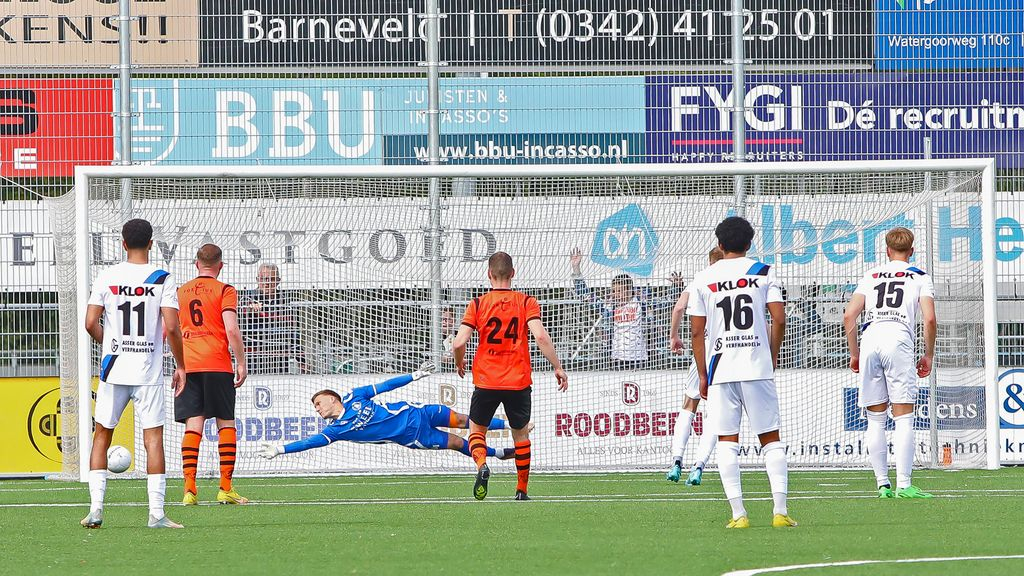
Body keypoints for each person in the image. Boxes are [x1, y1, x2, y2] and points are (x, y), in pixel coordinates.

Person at [687, 216, 795, 529]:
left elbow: (697, 332)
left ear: (719, 245)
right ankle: (780, 512)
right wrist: (771, 356)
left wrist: (703, 375)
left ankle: (738, 514)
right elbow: (780, 319)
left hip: (721, 368)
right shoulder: (763, 272)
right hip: (757, 365)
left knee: (726, 441)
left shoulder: (703, 278)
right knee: (771, 439)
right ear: (749, 244)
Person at [81, 218, 185, 529]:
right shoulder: (163, 278)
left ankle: (96, 510)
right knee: (153, 440)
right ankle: (156, 514)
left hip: (114, 369)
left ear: (123, 244)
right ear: (151, 243)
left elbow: (89, 323)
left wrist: (111, 346)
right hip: (147, 372)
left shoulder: (108, 275)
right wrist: (180, 365)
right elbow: (171, 327)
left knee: (102, 436)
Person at [452, 252, 568, 501]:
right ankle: (521, 489)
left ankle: (482, 464)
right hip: (518, 380)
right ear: (513, 274)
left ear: (489, 275)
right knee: (521, 434)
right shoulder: (526, 302)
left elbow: (459, 341)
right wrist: (557, 367)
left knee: (476, 431)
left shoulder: (478, 304)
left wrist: (460, 361)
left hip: (486, 380)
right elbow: (541, 337)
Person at [257, 362, 518, 460]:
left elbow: (384, 386)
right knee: (456, 442)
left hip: (419, 413)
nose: (317, 409)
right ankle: (496, 454)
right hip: (414, 437)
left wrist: (413, 376)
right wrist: (281, 449)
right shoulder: (335, 430)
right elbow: (309, 442)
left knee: (466, 420)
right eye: (315, 407)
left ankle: (513, 426)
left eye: (318, 403)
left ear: (332, 398)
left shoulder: (354, 396)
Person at [843, 227, 936, 499]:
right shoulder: (919, 276)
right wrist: (928, 355)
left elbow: (849, 316)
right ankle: (904, 485)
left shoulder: (871, 275)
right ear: (912, 250)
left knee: (875, 418)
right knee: (904, 416)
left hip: (871, 336)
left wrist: (855, 354)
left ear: (886, 250)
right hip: (898, 338)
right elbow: (929, 319)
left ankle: (882, 484)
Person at [176, 243, 249, 506]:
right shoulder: (225, 290)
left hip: (189, 364)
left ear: (197, 264)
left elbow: (169, 330)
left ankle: (189, 490)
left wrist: (178, 364)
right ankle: (225, 488)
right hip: (217, 364)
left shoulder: (180, 291)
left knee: (193, 425)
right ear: (220, 265)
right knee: (225, 423)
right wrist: (241, 362)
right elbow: (231, 329)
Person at [666, 247, 724, 486]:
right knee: (716, 411)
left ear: (709, 261)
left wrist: (674, 336)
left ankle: (676, 461)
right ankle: (699, 466)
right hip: (727, 350)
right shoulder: (737, 280)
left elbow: (679, 307)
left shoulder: (701, 278)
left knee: (689, 405)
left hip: (704, 346)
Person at [569, 248, 683, 370]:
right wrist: (576, 269)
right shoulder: (609, 306)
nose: (615, 294)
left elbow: (667, 301)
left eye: (619, 291)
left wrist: (676, 287)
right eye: (614, 291)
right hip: (616, 359)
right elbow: (586, 296)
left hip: (640, 359)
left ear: (629, 290)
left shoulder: (642, 303)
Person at [240, 263, 303, 374]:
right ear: (257, 279)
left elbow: (294, 333)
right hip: (253, 357)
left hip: (279, 356)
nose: (267, 283)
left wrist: (301, 360)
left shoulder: (286, 302)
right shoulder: (247, 299)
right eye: (263, 279)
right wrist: (249, 310)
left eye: (271, 279)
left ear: (278, 280)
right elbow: (238, 323)